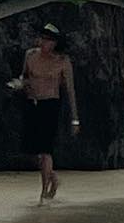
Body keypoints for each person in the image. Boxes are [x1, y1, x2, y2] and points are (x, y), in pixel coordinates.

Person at [14, 24, 80, 203]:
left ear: (55, 43)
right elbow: (24, 76)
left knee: (46, 150)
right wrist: (20, 84)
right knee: (35, 151)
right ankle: (53, 178)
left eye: (48, 40)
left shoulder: (62, 61)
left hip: (51, 104)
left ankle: (44, 191)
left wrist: (75, 119)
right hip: (32, 103)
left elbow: (70, 90)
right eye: (42, 38)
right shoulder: (30, 56)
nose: (44, 43)